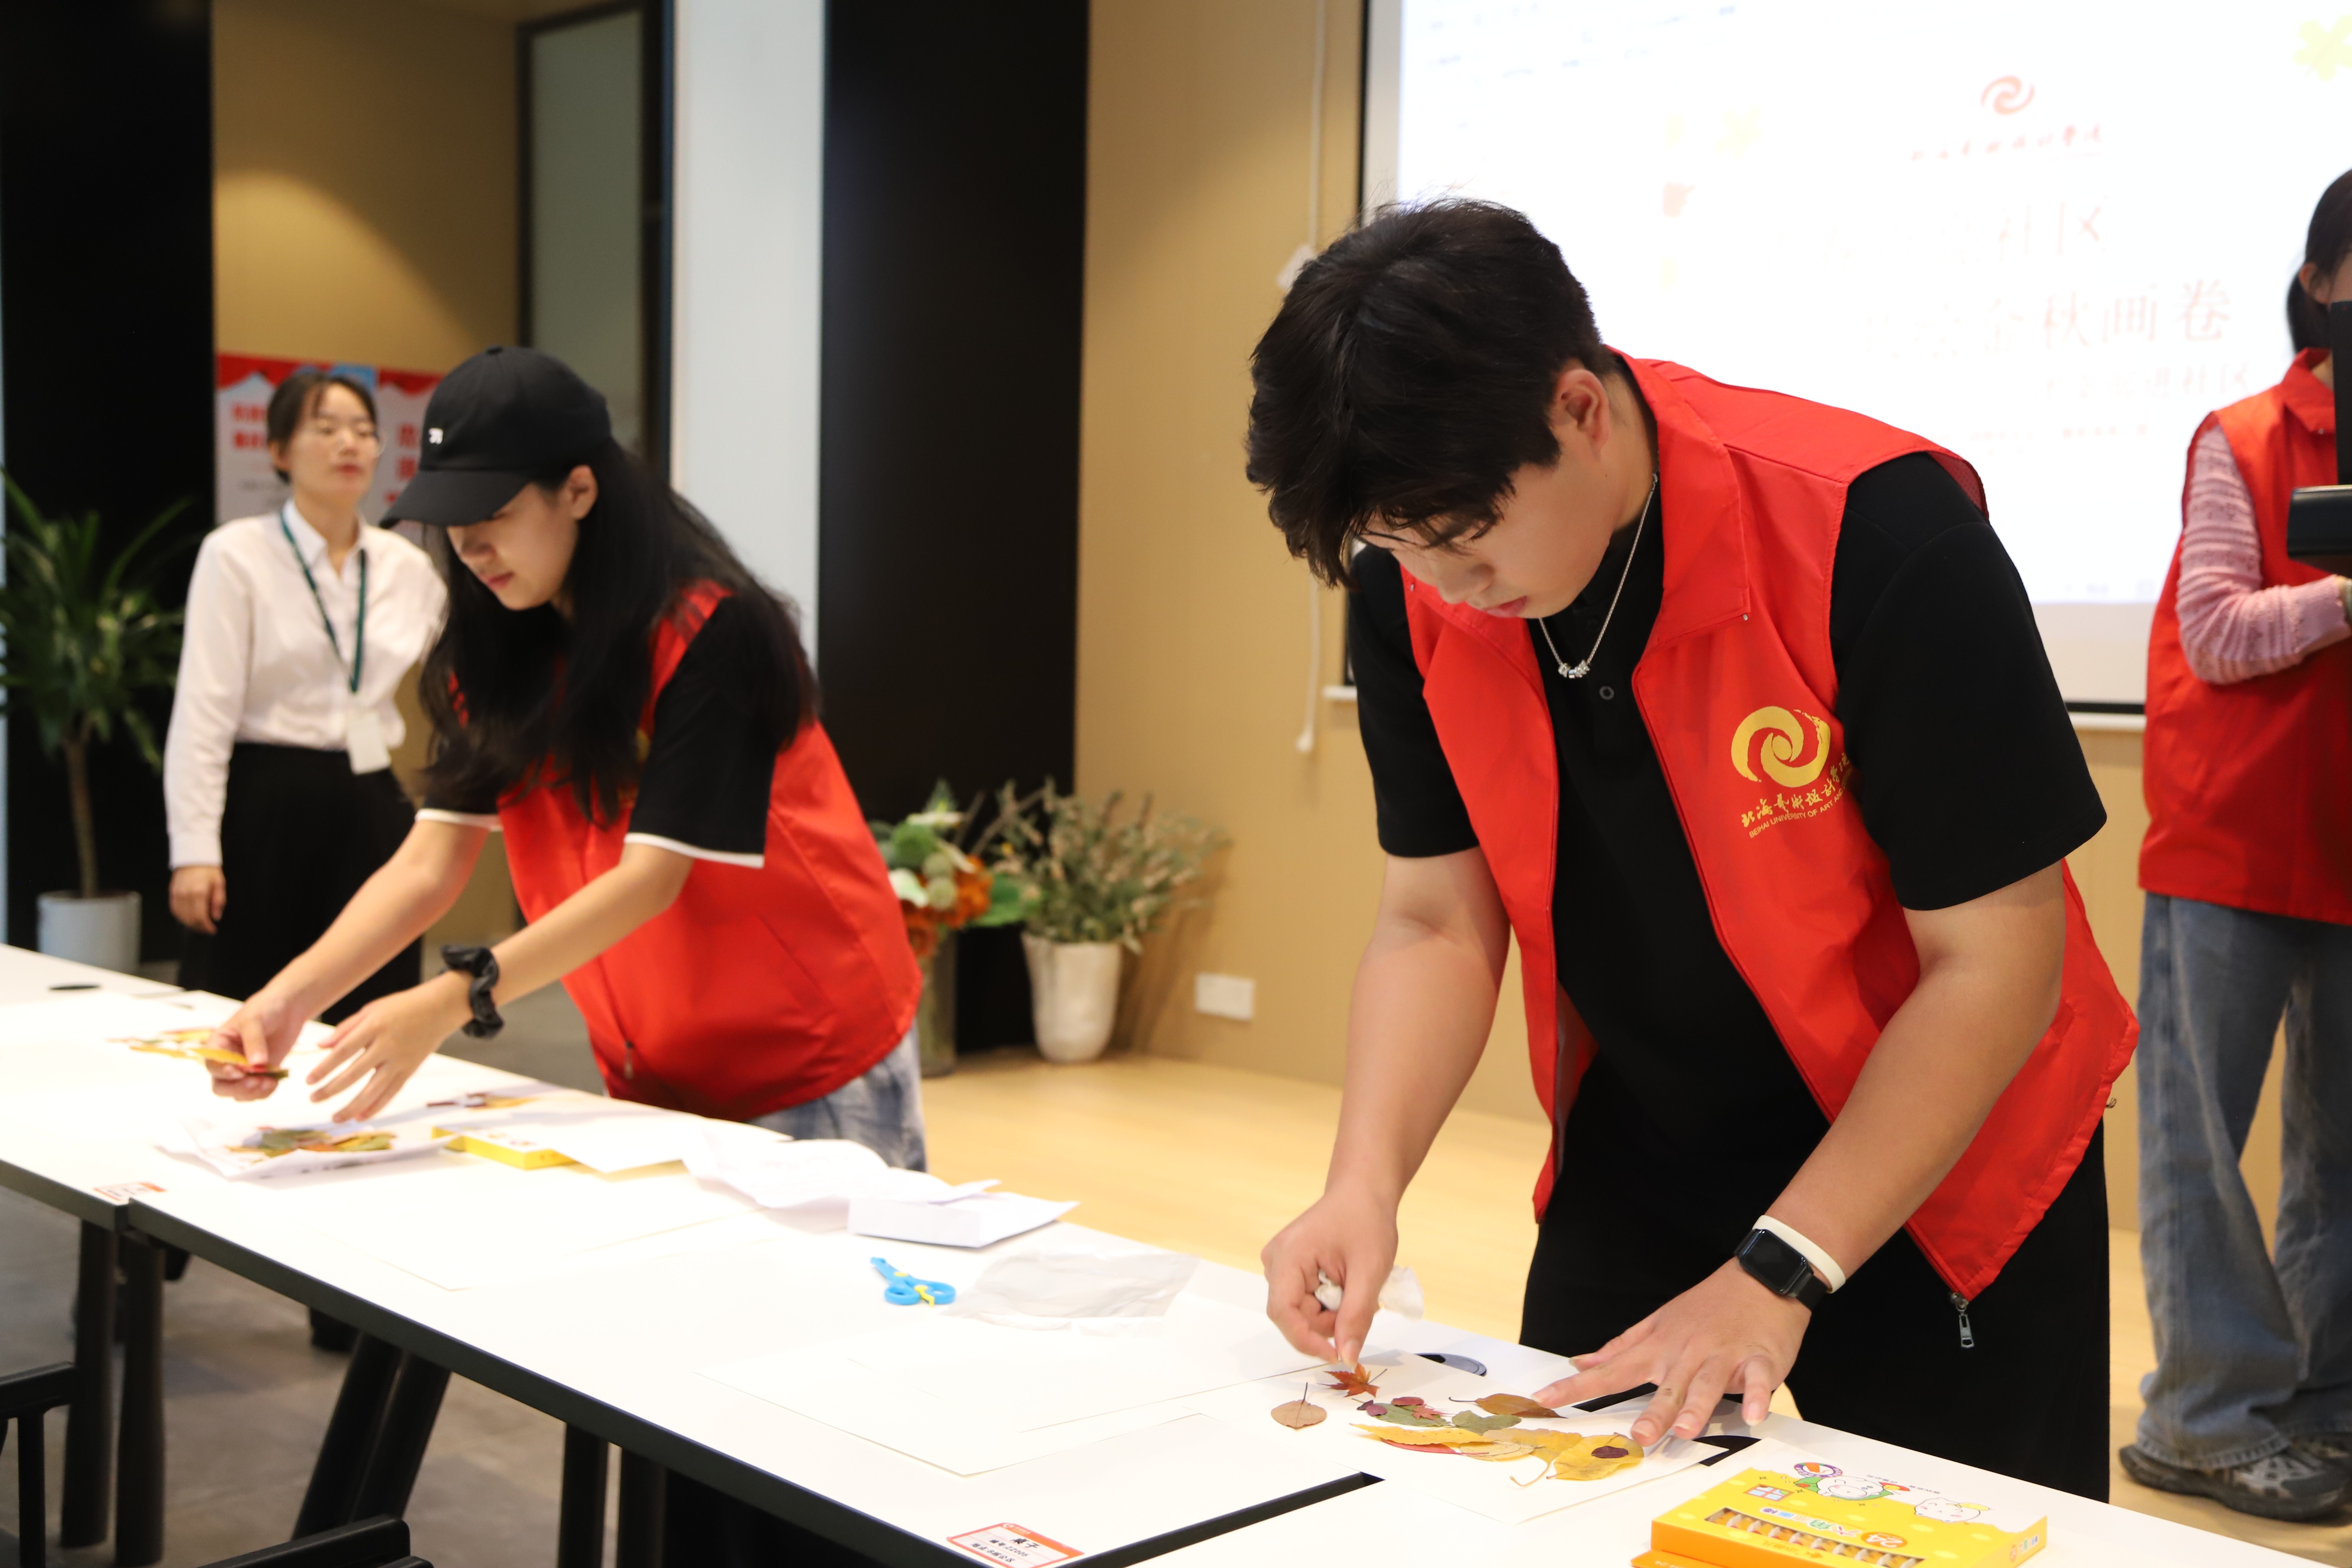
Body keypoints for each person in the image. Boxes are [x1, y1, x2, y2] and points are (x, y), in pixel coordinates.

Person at [1245, 199, 2136, 1499]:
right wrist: (1361, 1184)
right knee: (1568, 1509)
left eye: (1466, 542)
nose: (1446, 588)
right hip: (1650, 1138)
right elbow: (1435, 917)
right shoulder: (1415, 582)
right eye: (1401, 552)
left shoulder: (1877, 534)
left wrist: (1782, 1269)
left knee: (1952, 1531)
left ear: (1578, 411)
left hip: (1937, 1151)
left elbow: (1996, 963)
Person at [202, 346, 925, 1170]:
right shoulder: (496, 653)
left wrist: (452, 998)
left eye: (494, 513)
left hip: (809, 1057)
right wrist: (289, 1000)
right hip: (650, 1065)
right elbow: (429, 864)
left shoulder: (711, 635)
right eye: (452, 521)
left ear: (579, 490)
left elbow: (651, 878)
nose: (471, 547)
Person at [2123, 167, 2352, 1521]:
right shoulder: (2246, 434)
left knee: (2345, 1150)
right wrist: (2346, 598)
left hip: (2347, 841)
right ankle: (2202, 1420)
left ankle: (2321, 1402)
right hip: (2237, 834)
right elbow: (2214, 627)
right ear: (2322, 281)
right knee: (2205, 1143)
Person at [164, 371, 446, 1014]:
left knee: (373, 1002)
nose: (350, 444)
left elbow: (466, 678)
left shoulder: (406, 567)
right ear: (279, 451)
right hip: (265, 807)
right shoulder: (236, 554)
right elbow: (203, 713)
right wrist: (194, 851)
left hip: (371, 801)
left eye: (365, 431)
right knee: (244, 1004)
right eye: (326, 429)